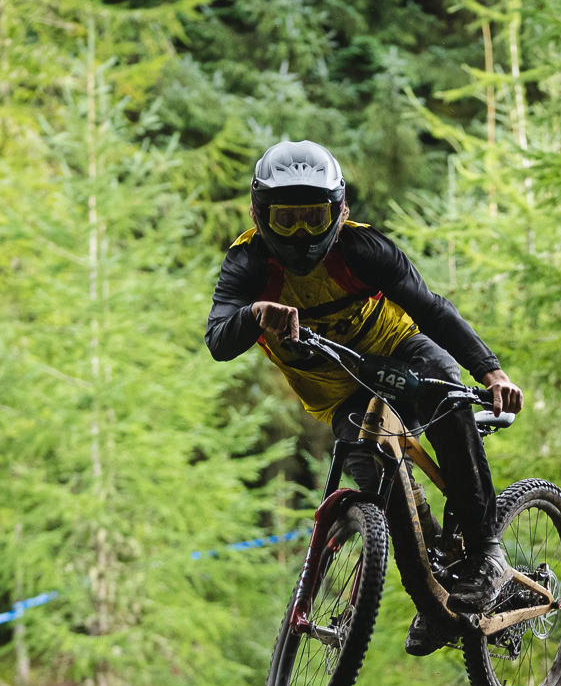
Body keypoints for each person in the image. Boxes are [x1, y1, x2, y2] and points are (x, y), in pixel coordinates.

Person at [205, 140, 523, 656]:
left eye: (315, 217)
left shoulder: (363, 250)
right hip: (340, 396)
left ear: (341, 212)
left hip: (401, 353)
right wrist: (256, 313)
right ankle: (437, 599)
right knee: (386, 492)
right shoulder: (248, 265)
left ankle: (487, 554)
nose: (303, 235)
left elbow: (433, 311)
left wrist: (492, 372)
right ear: (258, 216)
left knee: (446, 393)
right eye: (287, 220)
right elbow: (219, 341)